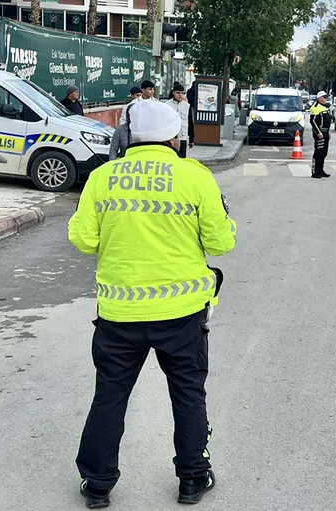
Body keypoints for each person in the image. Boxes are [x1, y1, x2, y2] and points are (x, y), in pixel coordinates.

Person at [69, 98, 237, 509]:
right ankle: (193, 480)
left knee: (110, 396)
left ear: (131, 137)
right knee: (187, 394)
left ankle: (98, 485)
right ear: (174, 137)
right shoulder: (195, 178)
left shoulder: (103, 178)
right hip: (182, 315)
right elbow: (221, 242)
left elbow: (83, 239)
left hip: (118, 314)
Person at [167, 82, 195, 158]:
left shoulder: (186, 106)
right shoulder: (167, 105)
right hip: (171, 138)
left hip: (183, 137)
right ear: (173, 93)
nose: (180, 95)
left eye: (182, 93)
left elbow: (190, 122)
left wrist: (191, 138)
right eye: (178, 93)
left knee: (182, 159)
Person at [309, 90, 332, 179]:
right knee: (318, 152)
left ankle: (321, 170)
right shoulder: (315, 107)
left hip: (325, 132)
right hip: (319, 133)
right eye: (324, 97)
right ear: (319, 98)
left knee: (324, 152)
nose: (326, 99)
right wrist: (318, 132)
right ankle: (315, 172)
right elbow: (312, 121)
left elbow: (327, 121)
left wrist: (328, 132)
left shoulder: (325, 107)